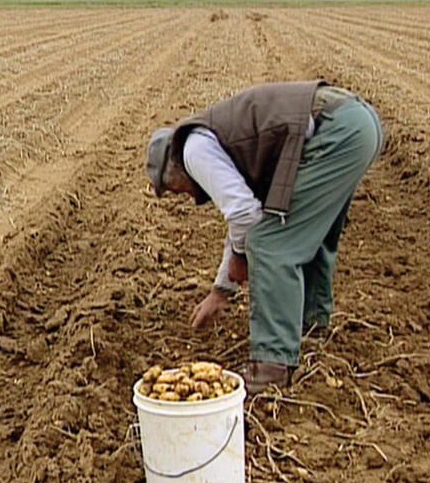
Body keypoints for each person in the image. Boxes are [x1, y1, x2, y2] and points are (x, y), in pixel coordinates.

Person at [145, 81, 383, 394]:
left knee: (270, 242)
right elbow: (242, 215)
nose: (184, 195)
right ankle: (309, 327)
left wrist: (242, 258)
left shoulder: (192, 151)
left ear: (171, 167)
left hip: (338, 131)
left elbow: (245, 216)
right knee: (306, 233)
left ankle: (271, 365)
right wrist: (221, 290)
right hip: (356, 123)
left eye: (173, 189)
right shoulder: (209, 140)